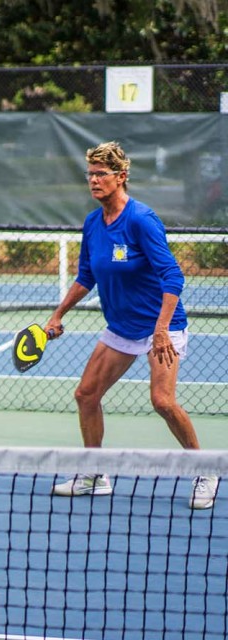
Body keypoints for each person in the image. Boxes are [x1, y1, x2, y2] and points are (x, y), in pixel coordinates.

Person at [46, 141, 216, 510]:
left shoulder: (141, 219)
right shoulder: (93, 223)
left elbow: (173, 276)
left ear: (121, 177)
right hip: (121, 328)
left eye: (100, 174)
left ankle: (205, 470)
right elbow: (87, 275)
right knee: (86, 395)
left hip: (161, 327)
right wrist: (59, 313)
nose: (93, 181)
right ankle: (95, 472)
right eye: (89, 174)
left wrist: (161, 329)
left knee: (162, 401)